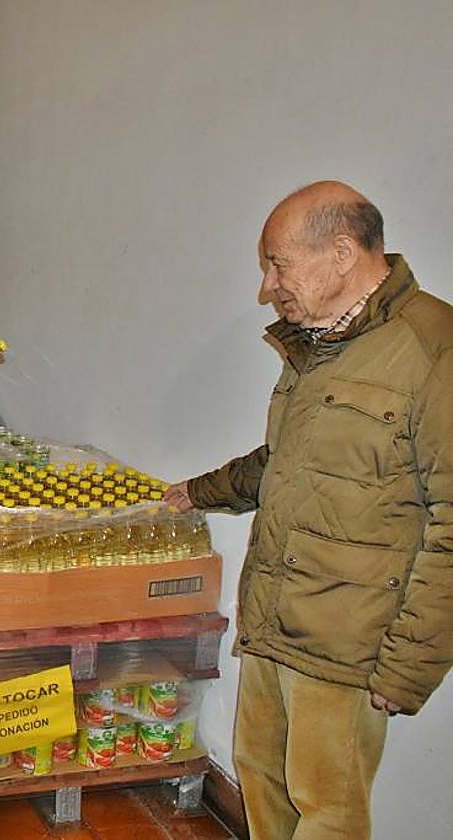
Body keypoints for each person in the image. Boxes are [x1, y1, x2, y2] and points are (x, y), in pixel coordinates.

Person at [164, 181, 453, 839]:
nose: (268, 287)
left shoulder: (435, 348)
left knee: (327, 811)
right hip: (274, 618)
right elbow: (286, 462)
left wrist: (410, 665)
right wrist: (199, 491)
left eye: (279, 264)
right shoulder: (317, 344)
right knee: (261, 782)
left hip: (347, 643)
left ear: (342, 253)